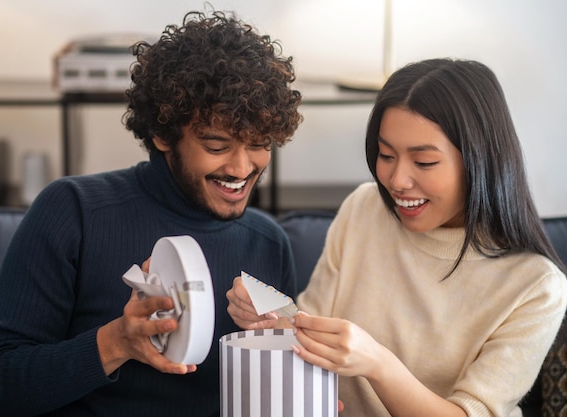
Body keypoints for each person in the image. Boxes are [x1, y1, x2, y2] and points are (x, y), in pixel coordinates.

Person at [0, 10, 302, 417]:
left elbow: (276, 396)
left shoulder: (268, 242)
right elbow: (1, 388)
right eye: (217, 146)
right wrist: (116, 343)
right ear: (163, 134)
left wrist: (298, 366)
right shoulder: (73, 211)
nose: (241, 169)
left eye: (259, 144)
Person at [227, 58, 567, 417]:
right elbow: (312, 329)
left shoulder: (537, 286)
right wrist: (267, 312)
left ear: (479, 160)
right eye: (386, 155)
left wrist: (376, 363)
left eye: (424, 163)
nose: (397, 180)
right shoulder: (364, 208)